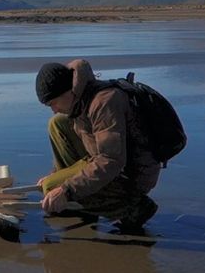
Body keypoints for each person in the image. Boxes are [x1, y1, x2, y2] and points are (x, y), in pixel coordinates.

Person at [34, 59, 160, 231]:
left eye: (53, 103)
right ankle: (79, 202)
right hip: (104, 158)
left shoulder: (104, 103)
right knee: (57, 123)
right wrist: (56, 174)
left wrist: (66, 189)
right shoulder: (80, 97)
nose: (54, 109)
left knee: (52, 186)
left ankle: (133, 208)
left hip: (132, 175)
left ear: (67, 91)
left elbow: (111, 161)